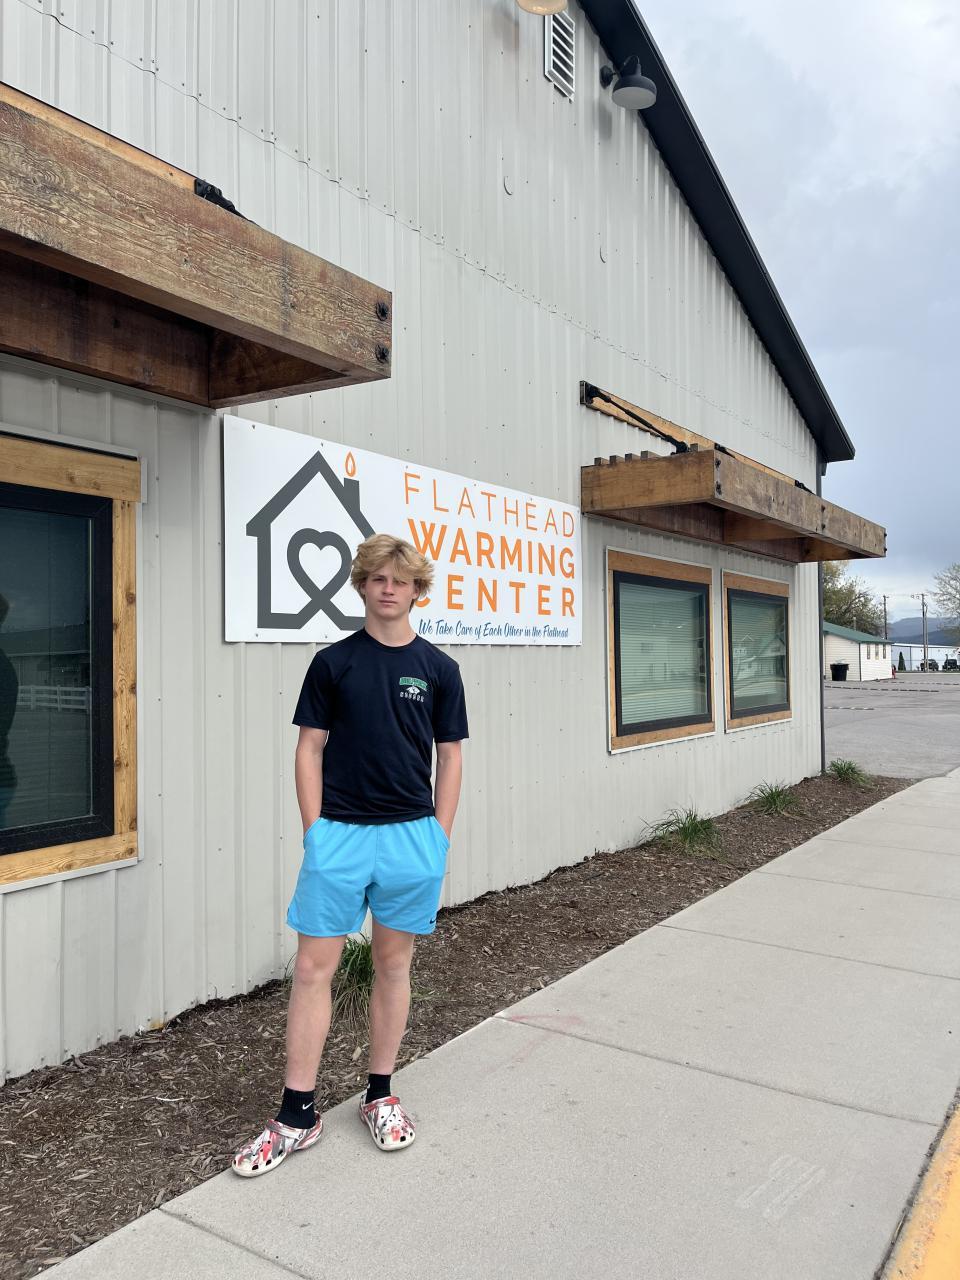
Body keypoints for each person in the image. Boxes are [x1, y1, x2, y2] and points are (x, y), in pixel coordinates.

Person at [233, 534, 468, 1176]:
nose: (389, 589)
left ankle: (379, 1094)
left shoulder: (439, 669)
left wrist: (438, 835)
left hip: (411, 837)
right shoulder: (332, 663)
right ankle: (296, 1114)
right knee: (313, 969)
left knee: (393, 965)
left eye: (401, 580)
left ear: (417, 591)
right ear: (362, 586)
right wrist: (316, 832)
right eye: (377, 579)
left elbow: (450, 755)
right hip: (339, 834)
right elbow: (309, 748)